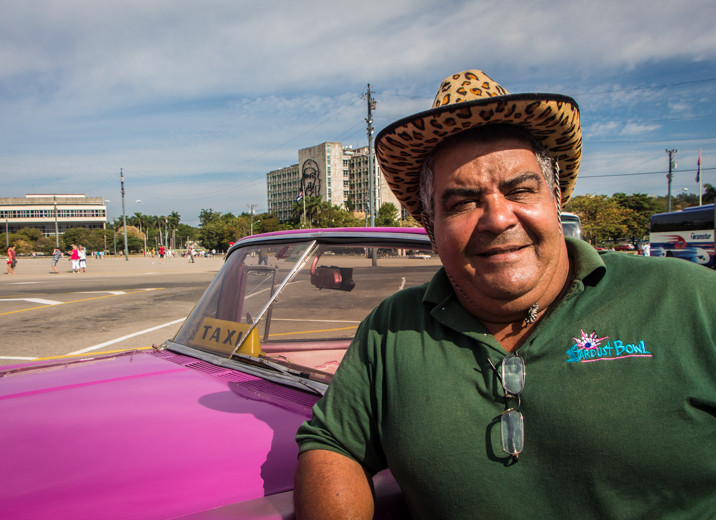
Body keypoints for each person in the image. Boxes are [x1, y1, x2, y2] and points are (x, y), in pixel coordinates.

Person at [294, 70, 716, 519]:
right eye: (460, 203)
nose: (497, 218)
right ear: (432, 232)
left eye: (520, 190)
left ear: (556, 200)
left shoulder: (690, 299)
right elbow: (332, 443)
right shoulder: (391, 327)